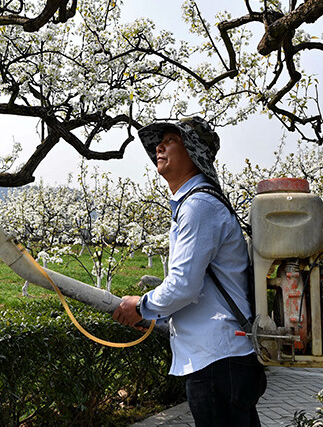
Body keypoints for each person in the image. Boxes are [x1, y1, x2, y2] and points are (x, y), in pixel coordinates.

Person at [113, 117, 266, 426]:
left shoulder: (198, 206)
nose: (160, 146)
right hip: (222, 358)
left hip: (217, 361)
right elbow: (201, 293)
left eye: (172, 140)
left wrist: (141, 306)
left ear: (194, 153)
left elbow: (184, 286)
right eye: (160, 141)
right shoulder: (194, 204)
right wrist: (156, 316)